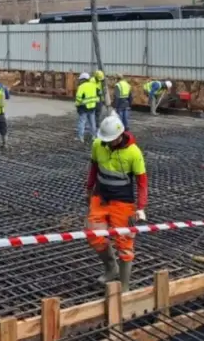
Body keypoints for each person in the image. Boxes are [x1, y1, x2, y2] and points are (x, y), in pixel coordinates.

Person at [86, 115, 148, 288]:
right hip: (101, 198)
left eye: (111, 140)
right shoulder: (98, 144)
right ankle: (111, 268)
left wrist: (141, 207)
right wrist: (89, 190)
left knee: (124, 244)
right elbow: (93, 169)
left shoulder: (133, 152)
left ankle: (125, 285)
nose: (108, 143)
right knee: (94, 236)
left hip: (123, 203)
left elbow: (142, 182)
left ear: (120, 136)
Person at [75, 72, 99, 142]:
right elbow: (97, 95)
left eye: (80, 79)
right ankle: (94, 136)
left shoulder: (81, 86)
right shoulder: (93, 85)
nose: (80, 81)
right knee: (92, 122)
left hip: (84, 108)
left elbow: (78, 98)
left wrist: (77, 105)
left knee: (82, 122)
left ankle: (80, 138)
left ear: (83, 79)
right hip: (92, 107)